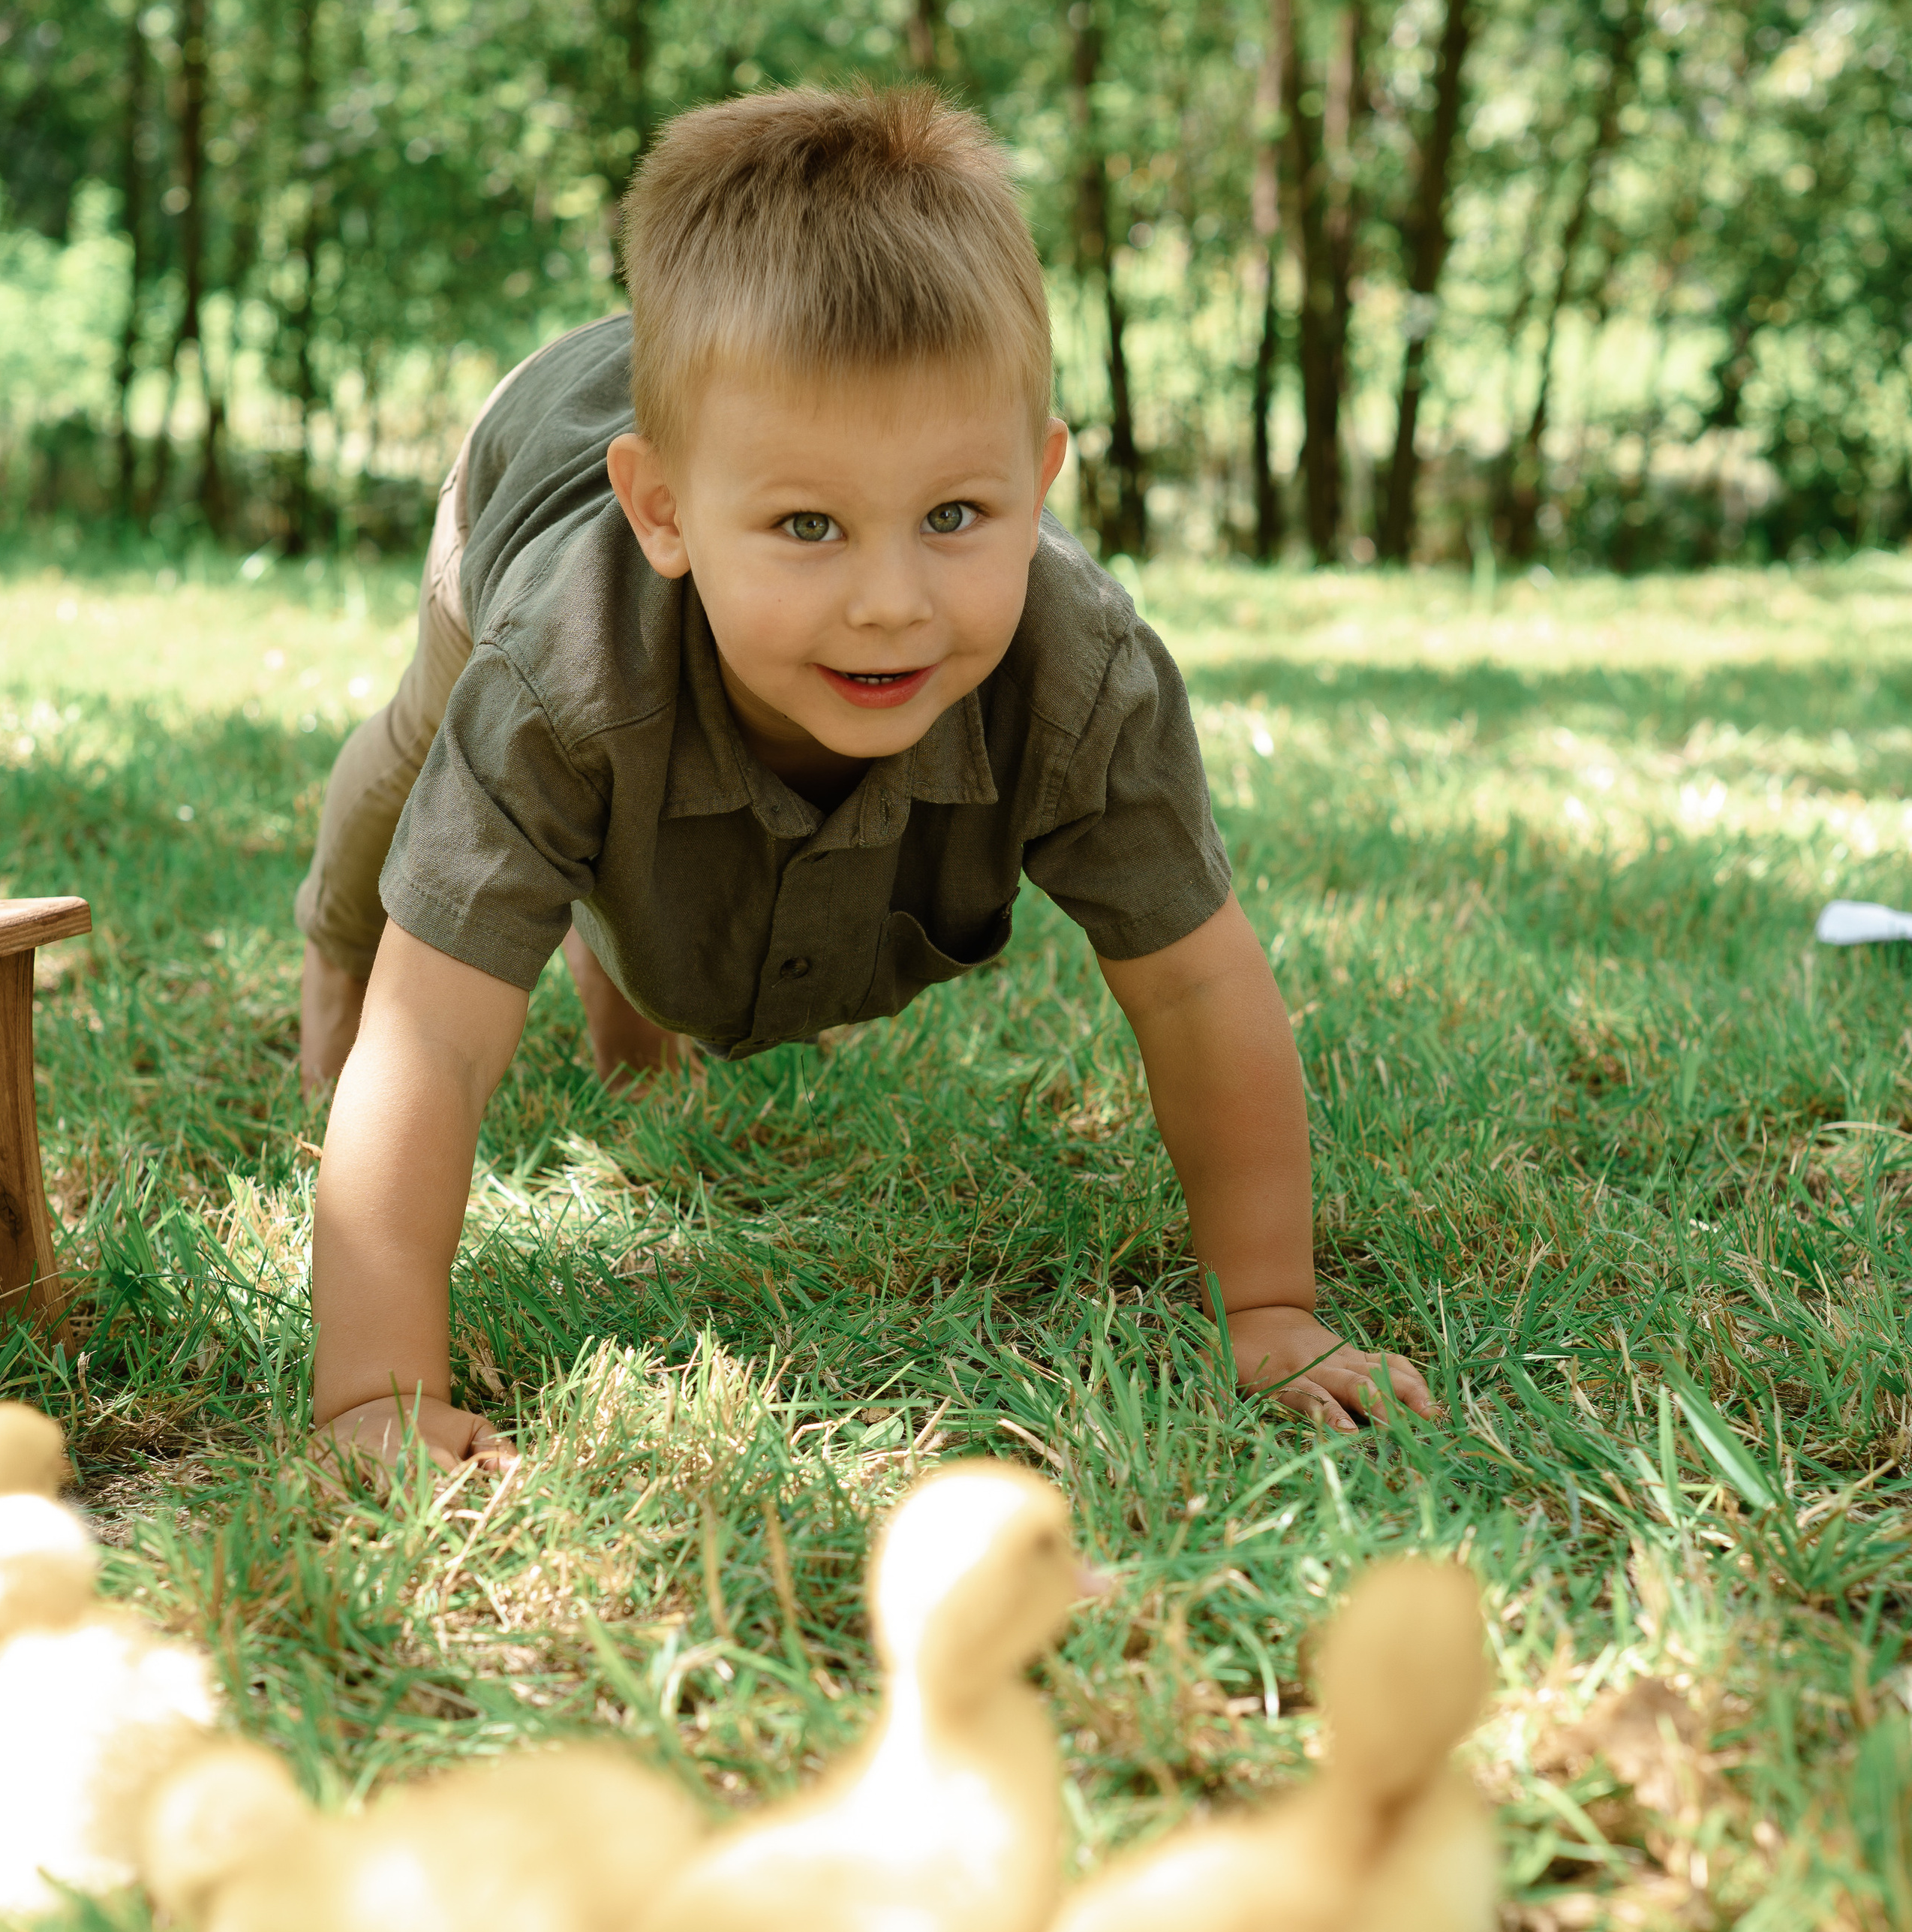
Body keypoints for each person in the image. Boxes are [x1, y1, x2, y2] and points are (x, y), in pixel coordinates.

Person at [298, 84, 1432, 1476]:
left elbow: (1197, 983)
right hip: (522, 474)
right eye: (809, 526)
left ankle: (627, 1013)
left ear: (1040, 478)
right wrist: (377, 1393)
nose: (892, 602)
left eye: (955, 514)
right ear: (663, 512)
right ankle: (328, 943)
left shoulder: (1083, 674)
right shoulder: (557, 672)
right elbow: (436, 1037)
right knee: (425, 761)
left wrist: (1268, 1310)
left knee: (623, 807)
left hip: (675, 530)